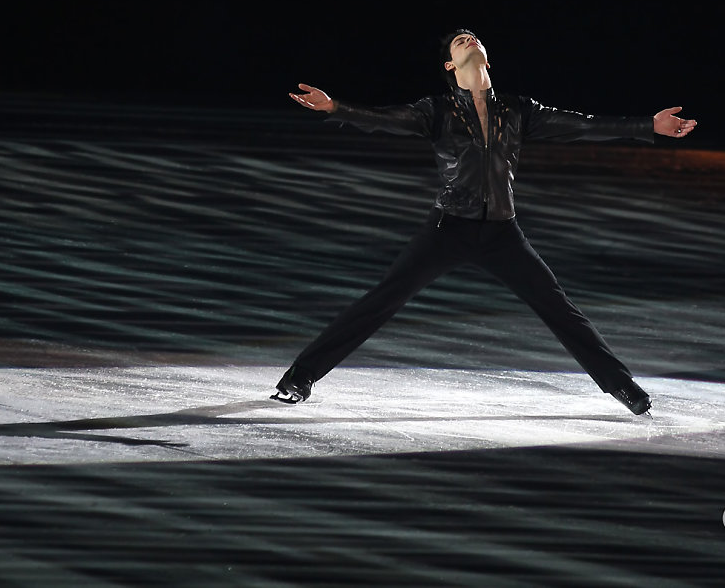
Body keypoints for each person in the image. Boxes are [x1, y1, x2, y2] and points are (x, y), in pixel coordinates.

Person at [271, 29, 696, 415]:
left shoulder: (516, 110)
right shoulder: (435, 111)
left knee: (560, 309)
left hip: (502, 234)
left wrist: (648, 125)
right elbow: (382, 119)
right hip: (448, 229)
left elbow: (583, 126)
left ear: (487, 59)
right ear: (450, 66)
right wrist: (335, 107)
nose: (469, 40)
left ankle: (623, 388)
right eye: (460, 42)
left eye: (474, 38)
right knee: (381, 300)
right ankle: (300, 377)